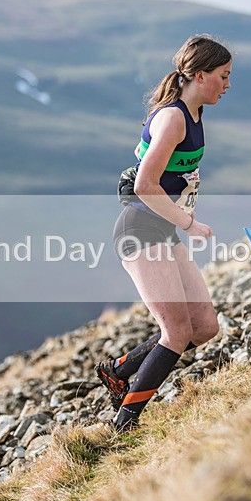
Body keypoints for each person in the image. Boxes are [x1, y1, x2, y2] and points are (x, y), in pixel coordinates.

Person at [96, 34, 232, 431]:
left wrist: (181, 218)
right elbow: (144, 185)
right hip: (140, 231)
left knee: (204, 328)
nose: (227, 85)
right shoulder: (173, 119)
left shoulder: (195, 116)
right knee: (175, 332)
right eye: (223, 76)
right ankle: (125, 421)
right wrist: (188, 222)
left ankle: (120, 370)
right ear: (199, 74)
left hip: (162, 230)